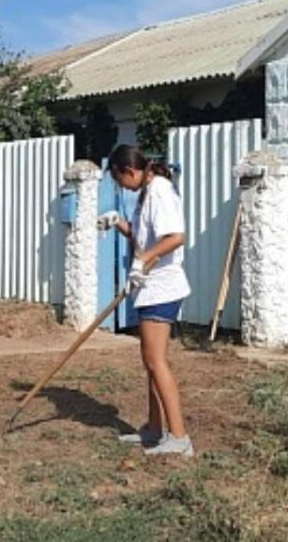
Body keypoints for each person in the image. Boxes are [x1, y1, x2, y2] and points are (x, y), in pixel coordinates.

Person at [99, 144, 194, 458]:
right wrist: (118, 222)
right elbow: (144, 238)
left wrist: (144, 262)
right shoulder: (145, 192)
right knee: (150, 363)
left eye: (118, 180)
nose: (120, 187)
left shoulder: (160, 191)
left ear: (130, 171)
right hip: (149, 287)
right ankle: (154, 429)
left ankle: (179, 437)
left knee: (156, 362)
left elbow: (175, 237)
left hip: (162, 287)